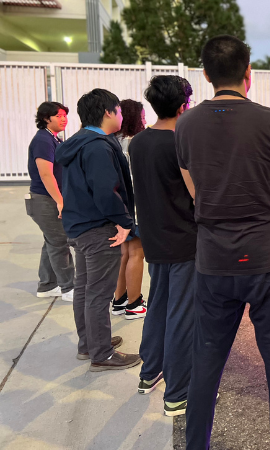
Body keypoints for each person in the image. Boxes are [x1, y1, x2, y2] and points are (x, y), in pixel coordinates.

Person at [177, 35, 270, 449]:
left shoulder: (187, 124)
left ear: (206, 75)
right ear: (249, 73)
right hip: (269, 257)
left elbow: (195, 190)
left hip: (214, 260)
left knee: (206, 364)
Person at [56, 88, 141, 371]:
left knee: (84, 288)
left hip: (78, 225)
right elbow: (106, 192)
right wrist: (126, 222)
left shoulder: (77, 142)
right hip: (97, 228)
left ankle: (89, 343)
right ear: (108, 112)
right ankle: (101, 354)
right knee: (98, 292)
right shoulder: (98, 146)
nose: (120, 115)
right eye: (118, 110)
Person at [130, 76, 197, 416]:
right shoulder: (181, 142)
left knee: (158, 305)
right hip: (184, 239)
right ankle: (178, 393)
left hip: (154, 238)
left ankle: (149, 372)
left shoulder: (137, 143)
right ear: (183, 104)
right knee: (182, 315)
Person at [26, 101, 75, 302]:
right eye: (59, 115)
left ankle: (47, 285)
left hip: (48, 199)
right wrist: (60, 200)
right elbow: (46, 174)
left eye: (65, 115)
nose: (64, 119)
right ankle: (68, 288)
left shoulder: (52, 138)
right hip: (45, 200)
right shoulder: (43, 140)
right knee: (59, 243)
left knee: (51, 242)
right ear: (47, 118)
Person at [112, 99, 148, 319]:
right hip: (135, 204)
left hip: (119, 205)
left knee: (124, 253)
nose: (145, 119)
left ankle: (119, 299)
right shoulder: (135, 142)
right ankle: (134, 304)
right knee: (137, 253)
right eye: (143, 115)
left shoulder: (113, 141)